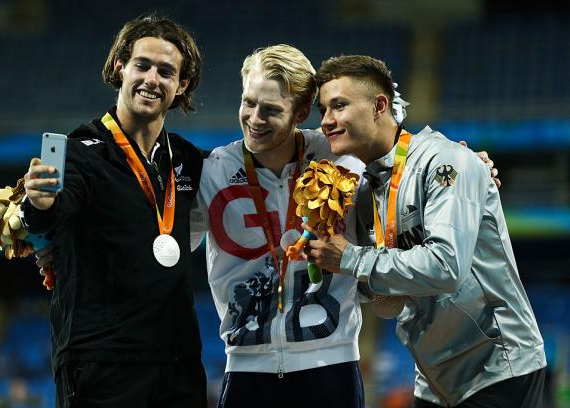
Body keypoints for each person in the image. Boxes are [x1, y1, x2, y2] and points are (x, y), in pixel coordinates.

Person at [190, 45, 501, 408]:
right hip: (244, 368)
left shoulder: (342, 153)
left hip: (332, 365)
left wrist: (466, 164)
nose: (255, 118)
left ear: (301, 112)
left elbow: (407, 161)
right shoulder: (211, 171)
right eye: (248, 103)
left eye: (272, 109)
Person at [307, 54, 546, 407]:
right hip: (433, 378)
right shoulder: (363, 190)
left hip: (498, 366)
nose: (326, 121)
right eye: (323, 110)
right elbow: (368, 284)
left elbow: (446, 267)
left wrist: (353, 259)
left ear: (379, 105)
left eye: (338, 106)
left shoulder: (446, 162)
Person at [22, 15, 207, 407]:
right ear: (121, 67)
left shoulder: (188, 159)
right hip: (102, 364)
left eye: (166, 71)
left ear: (182, 85)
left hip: (177, 365)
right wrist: (38, 202)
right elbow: (48, 216)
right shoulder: (80, 152)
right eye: (142, 65)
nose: (152, 79)